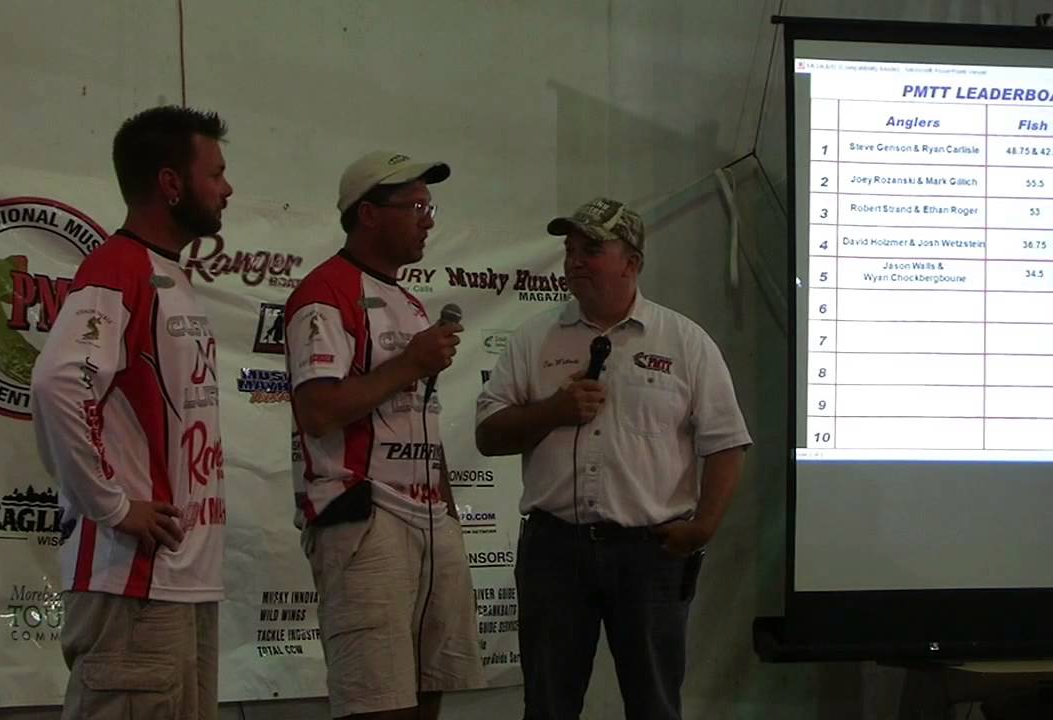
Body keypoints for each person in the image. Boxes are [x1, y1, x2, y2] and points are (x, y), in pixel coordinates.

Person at [475, 197, 751, 720]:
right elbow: (488, 436)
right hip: (554, 549)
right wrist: (553, 411)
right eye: (570, 250)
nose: (575, 261)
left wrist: (703, 527)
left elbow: (726, 444)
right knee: (548, 706)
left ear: (632, 262)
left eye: (592, 250)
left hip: (650, 552)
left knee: (654, 705)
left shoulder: (685, 341)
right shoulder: (533, 338)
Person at [31, 105, 234, 720]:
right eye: (215, 174)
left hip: (181, 577)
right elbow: (59, 383)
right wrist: (114, 506)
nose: (227, 189)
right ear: (171, 183)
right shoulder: (120, 267)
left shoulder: (169, 273)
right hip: (132, 579)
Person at [284, 151, 485, 719]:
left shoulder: (410, 302)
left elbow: (420, 415)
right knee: (378, 701)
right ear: (368, 214)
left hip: (429, 520)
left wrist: (447, 512)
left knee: (430, 687)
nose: (428, 221)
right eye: (416, 207)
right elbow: (318, 411)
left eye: (430, 208)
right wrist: (410, 363)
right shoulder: (325, 294)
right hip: (365, 517)